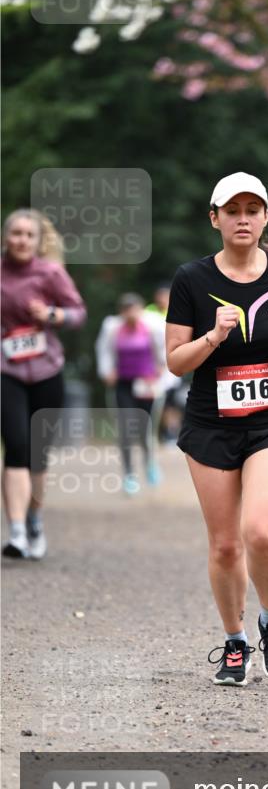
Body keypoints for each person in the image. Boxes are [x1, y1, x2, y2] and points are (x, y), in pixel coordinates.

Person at [165, 172, 268, 686]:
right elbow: (174, 361)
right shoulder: (192, 280)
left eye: (253, 210)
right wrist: (213, 337)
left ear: (265, 218)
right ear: (215, 219)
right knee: (226, 546)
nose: (243, 219)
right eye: (232, 211)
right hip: (211, 422)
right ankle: (235, 642)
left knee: (260, 530)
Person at [1, 208, 87, 558]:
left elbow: (78, 312)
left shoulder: (50, 273)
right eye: (15, 233)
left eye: (28, 235)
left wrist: (52, 315)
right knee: (17, 447)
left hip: (47, 371)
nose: (21, 240)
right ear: (6, 237)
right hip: (6, 371)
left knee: (38, 454)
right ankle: (17, 532)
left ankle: (35, 518)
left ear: (38, 241)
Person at [95, 293, 166, 494]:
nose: (131, 314)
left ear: (141, 309)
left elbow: (162, 350)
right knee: (125, 431)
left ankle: (150, 463)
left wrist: (160, 369)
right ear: (121, 312)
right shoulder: (113, 328)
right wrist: (107, 371)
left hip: (147, 384)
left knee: (145, 430)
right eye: (126, 310)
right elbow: (104, 351)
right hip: (124, 385)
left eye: (134, 309)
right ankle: (129, 474)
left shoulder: (152, 326)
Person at [146, 283, 185, 445]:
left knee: (173, 401)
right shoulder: (148, 312)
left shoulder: (178, 311)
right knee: (158, 401)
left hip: (176, 362)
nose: (162, 299)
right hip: (154, 365)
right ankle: (160, 433)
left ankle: (171, 432)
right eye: (160, 296)